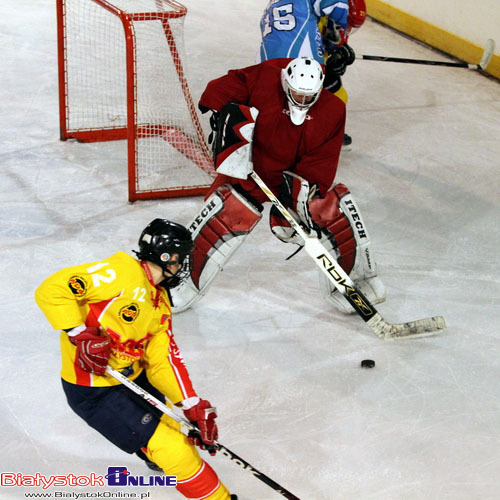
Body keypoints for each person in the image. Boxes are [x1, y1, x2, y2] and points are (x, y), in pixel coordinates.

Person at [35, 219, 237, 500]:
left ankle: (149, 447)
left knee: (176, 432)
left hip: (131, 380)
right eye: (182, 259)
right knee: (175, 452)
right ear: (168, 258)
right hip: (95, 391)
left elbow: (161, 360)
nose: (184, 266)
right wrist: (78, 333)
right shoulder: (119, 273)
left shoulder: (159, 301)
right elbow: (52, 289)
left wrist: (190, 403)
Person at [169, 56, 385, 314]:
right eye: (296, 94)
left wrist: (296, 205)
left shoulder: (333, 109)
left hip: (290, 178)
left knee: (331, 207)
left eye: (309, 97)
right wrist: (220, 114)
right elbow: (224, 87)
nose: (302, 101)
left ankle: (358, 282)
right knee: (226, 212)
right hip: (247, 169)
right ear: (286, 82)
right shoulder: (265, 77)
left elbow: (320, 163)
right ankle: (178, 281)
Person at [258, 0, 366, 148]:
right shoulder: (332, 8)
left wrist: (336, 51)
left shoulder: (301, 9)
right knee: (332, 96)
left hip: (268, 59)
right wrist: (334, 57)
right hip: (294, 64)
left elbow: (318, 34)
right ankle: (309, 136)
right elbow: (317, 42)